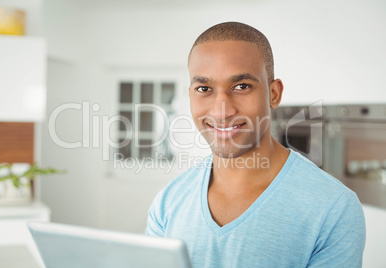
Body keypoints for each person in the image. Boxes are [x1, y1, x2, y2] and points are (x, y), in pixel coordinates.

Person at [145, 22, 366, 267]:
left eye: (241, 86)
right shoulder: (167, 202)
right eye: (204, 88)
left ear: (274, 93)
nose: (222, 110)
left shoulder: (333, 208)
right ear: (190, 95)